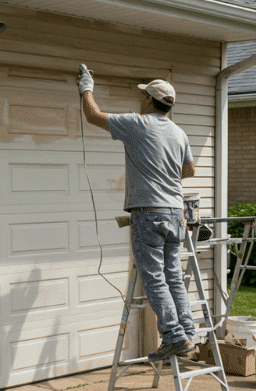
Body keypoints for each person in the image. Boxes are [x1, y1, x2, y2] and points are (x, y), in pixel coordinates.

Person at [77, 66, 197, 361]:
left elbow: (93, 115)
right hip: (175, 212)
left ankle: (173, 336)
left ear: (149, 101)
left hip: (149, 212)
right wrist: (164, 175)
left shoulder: (138, 124)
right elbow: (190, 170)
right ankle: (187, 330)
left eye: (143, 95)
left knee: (154, 277)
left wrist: (86, 86)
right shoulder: (179, 133)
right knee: (173, 275)